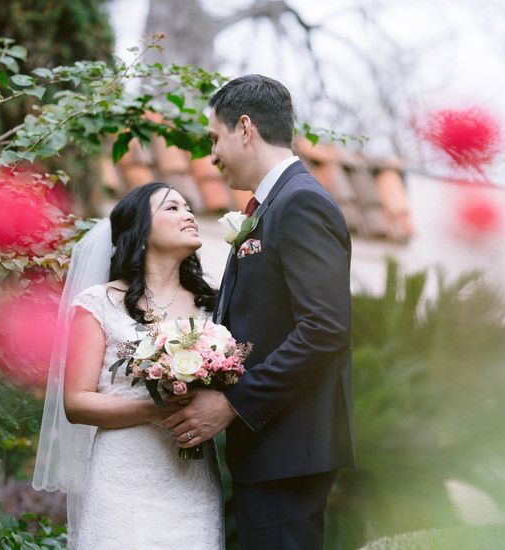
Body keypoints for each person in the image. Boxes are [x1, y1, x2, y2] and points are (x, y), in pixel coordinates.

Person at [163, 74, 355, 550]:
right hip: (273, 450)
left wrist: (233, 403)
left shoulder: (301, 202)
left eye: (214, 138)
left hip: (288, 450)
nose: (212, 156)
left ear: (244, 128)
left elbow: (324, 329)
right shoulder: (273, 205)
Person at [33, 183, 224, 549]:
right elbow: (76, 402)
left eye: (189, 207)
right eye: (173, 208)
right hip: (123, 480)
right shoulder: (99, 303)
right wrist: (154, 408)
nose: (189, 215)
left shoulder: (211, 306)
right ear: (141, 229)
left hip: (193, 483)